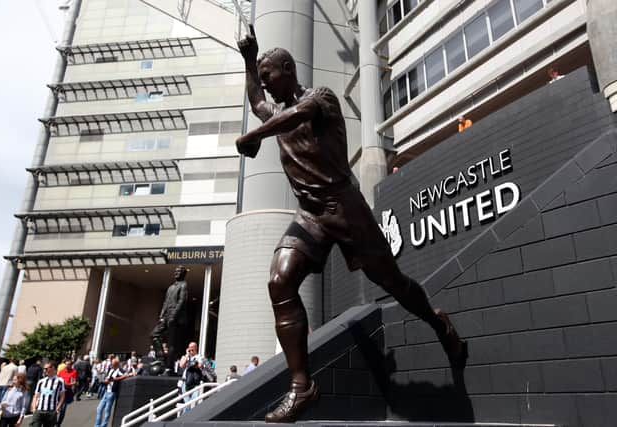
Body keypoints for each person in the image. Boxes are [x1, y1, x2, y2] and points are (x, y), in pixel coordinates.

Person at [236, 26, 466, 422]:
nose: (266, 85)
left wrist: (255, 134)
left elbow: (294, 115)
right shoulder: (272, 107)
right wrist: (248, 59)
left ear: (287, 69)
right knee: (280, 281)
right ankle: (301, 387)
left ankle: (437, 322)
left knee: (393, 282)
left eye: (268, 74)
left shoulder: (320, 98)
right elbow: (258, 100)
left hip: (345, 208)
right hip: (310, 214)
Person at [151, 266, 189, 373]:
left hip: (175, 317)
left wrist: (174, 315)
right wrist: (161, 316)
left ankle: (169, 367)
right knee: (154, 334)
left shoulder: (183, 285)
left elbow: (182, 301)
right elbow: (165, 302)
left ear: (183, 274)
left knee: (171, 343)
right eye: (175, 271)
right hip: (166, 315)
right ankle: (160, 357)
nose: (176, 273)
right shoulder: (170, 287)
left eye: (179, 272)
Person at [94, 358, 134, 427]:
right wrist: (106, 380)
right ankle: (97, 425)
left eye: (113, 364)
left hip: (112, 392)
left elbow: (126, 375)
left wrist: (114, 380)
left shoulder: (120, 370)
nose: (111, 365)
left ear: (116, 364)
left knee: (107, 410)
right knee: (99, 408)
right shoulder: (111, 369)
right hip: (107, 391)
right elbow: (108, 377)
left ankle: (103, 425)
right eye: (111, 364)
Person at [30, 362, 64, 427]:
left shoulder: (60, 381)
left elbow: (62, 395)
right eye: (44, 369)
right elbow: (36, 395)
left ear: (53, 368)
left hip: (51, 411)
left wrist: (57, 408)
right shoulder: (41, 381)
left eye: (46, 368)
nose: (44, 370)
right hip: (39, 410)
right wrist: (34, 408)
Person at [56, 360, 76, 426]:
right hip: (59, 391)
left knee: (63, 409)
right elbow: (57, 379)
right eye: (66, 364)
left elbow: (74, 382)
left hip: (67, 391)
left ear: (71, 365)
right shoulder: (61, 372)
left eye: (69, 364)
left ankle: (58, 423)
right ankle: (53, 421)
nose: (67, 366)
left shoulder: (73, 372)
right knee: (55, 407)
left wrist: (69, 384)